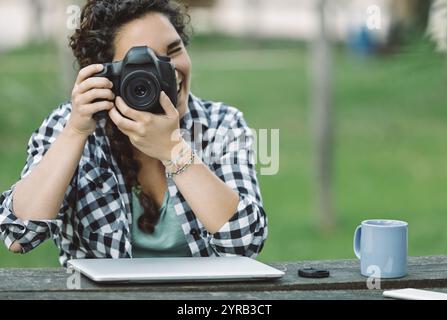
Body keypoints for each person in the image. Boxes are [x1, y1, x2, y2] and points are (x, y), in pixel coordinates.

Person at [0, 0, 267, 267]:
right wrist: (75, 132)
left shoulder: (221, 123)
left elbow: (245, 244)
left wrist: (174, 151)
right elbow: (18, 235)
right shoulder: (69, 126)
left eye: (174, 50)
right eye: (143, 62)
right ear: (106, 76)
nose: (169, 70)